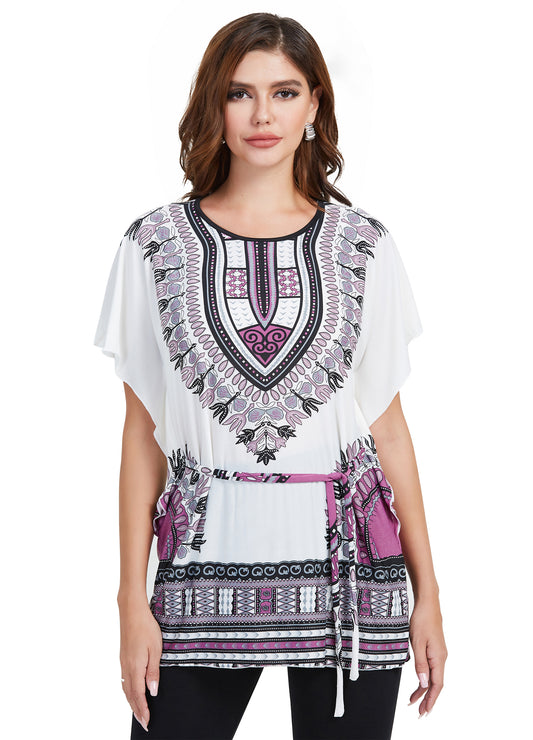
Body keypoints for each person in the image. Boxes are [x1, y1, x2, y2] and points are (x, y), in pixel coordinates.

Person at [93, 11, 447, 740]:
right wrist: (132, 600)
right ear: (213, 106)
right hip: (199, 575)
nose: (262, 116)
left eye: (284, 93)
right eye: (240, 93)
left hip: (351, 582)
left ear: (314, 105)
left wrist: (429, 594)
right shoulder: (153, 244)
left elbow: (387, 428)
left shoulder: (363, 245)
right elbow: (141, 436)